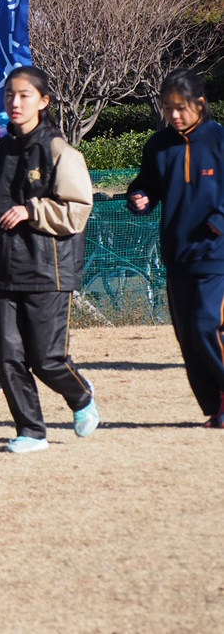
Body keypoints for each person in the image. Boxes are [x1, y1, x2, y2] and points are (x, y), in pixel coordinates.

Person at [0, 66, 99, 453]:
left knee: (47, 358)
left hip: (48, 271)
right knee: (9, 358)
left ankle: (82, 397)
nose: (15, 102)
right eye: (9, 95)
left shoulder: (58, 151)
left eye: (24, 95)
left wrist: (31, 210)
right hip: (5, 270)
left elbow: (77, 210)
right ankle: (31, 431)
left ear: (44, 101)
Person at [128, 69, 224, 428]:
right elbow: (146, 185)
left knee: (205, 324)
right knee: (188, 335)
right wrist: (140, 197)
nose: (174, 115)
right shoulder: (158, 145)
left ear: (200, 103)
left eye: (181, 108)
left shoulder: (219, 141)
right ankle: (216, 406)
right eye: (168, 108)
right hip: (177, 251)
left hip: (217, 252)